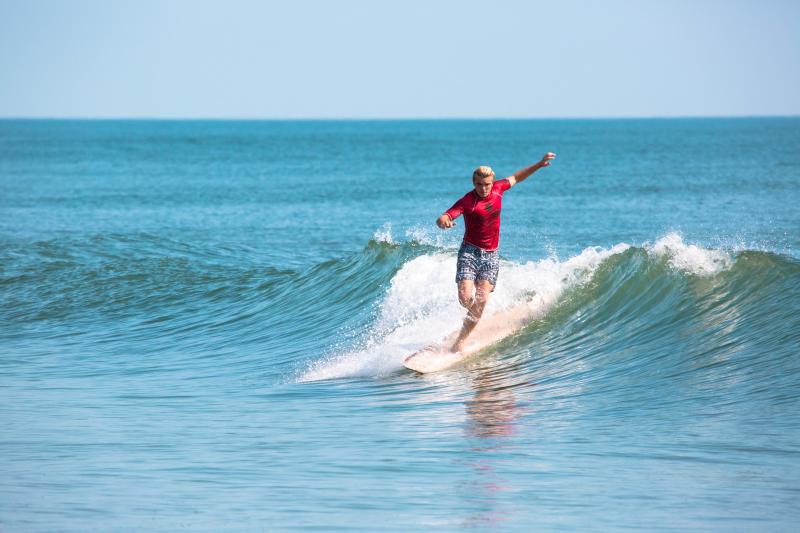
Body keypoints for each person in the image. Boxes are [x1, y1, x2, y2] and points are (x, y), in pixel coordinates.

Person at [437, 152, 556, 352]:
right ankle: (474, 315)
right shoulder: (468, 201)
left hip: (491, 255)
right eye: (479, 184)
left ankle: (460, 341)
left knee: (481, 300)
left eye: (487, 184)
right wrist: (443, 221)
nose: (483, 189)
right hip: (469, 253)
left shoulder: (499, 189)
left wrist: (539, 164)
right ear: (473, 183)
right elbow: (447, 215)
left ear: (492, 182)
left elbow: (517, 177)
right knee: (466, 299)